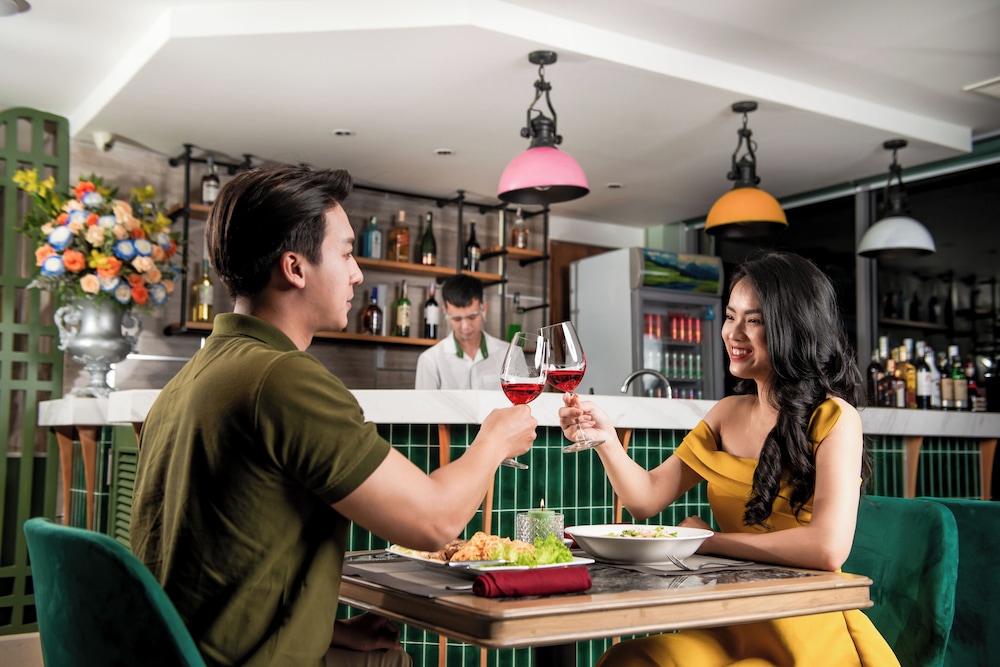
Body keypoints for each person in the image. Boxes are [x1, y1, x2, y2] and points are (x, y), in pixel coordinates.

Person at [130, 165, 537, 667]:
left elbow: (216, 559)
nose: (357, 273)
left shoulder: (191, 377)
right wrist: (495, 439)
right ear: (295, 268)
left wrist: (332, 630)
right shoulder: (282, 378)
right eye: (345, 253)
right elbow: (432, 522)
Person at [559, 251, 899, 667]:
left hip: (804, 620)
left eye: (753, 320)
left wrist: (704, 541)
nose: (733, 333)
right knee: (629, 660)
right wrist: (605, 440)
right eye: (730, 316)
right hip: (730, 615)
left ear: (794, 327)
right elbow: (645, 499)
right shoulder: (725, 413)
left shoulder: (835, 418)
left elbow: (827, 549)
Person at [414, 274, 507, 390]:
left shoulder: (508, 355)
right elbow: (424, 402)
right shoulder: (430, 360)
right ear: (445, 312)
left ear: (484, 308)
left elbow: (522, 400)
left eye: (472, 317)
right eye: (456, 318)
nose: (465, 327)